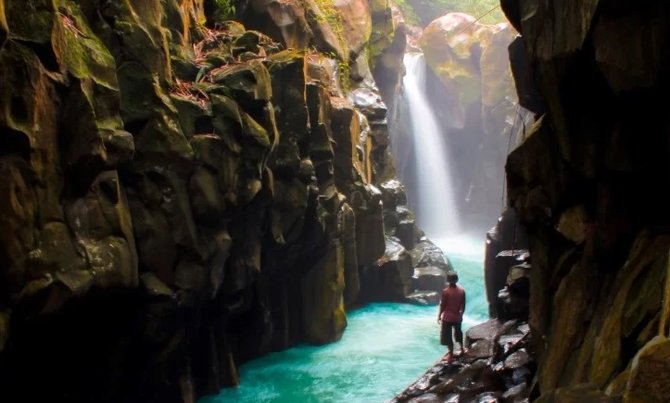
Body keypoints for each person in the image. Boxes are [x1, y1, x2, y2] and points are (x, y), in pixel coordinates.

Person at [437, 271, 466, 362]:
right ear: (457, 279)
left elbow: (443, 305)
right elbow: (463, 305)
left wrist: (439, 315)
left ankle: (451, 355)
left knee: (447, 336)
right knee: (458, 333)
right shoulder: (462, 291)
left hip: (447, 318)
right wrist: (461, 314)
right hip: (457, 317)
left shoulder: (446, 292)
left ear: (447, 280)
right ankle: (462, 349)